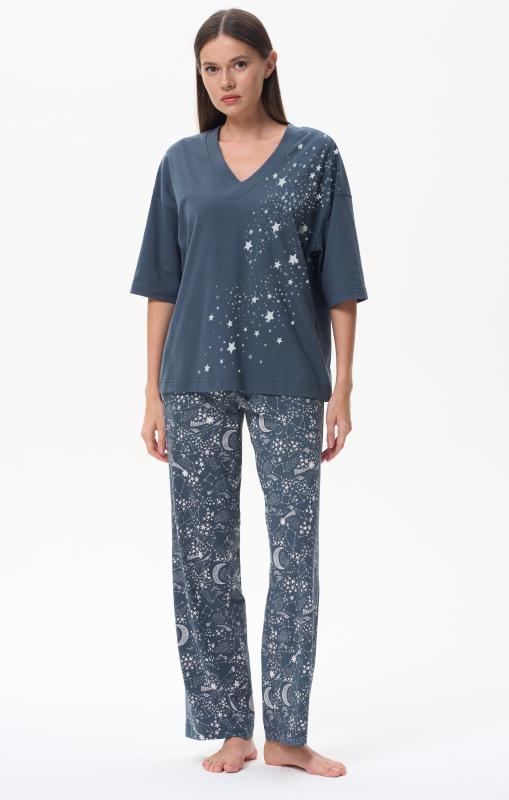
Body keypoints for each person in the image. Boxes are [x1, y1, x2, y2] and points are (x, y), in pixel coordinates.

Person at [130, 8, 368, 779]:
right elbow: (161, 283)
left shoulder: (314, 155)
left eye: (238, 63)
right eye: (210, 68)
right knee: (203, 556)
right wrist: (151, 392)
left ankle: (287, 734)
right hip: (192, 379)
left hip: (291, 379)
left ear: (268, 63)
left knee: (295, 556)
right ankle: (230, 726)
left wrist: (341, 387)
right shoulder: (180, 163)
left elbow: (340, 280)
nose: (224, 80)